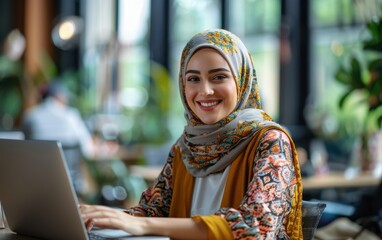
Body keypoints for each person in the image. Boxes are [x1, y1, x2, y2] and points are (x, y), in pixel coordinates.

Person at [80, 29, 303, 239]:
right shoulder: (186, 147)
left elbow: (256, 227)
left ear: (241, 81)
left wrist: (142, 224)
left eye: (219, 77)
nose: (204, 90)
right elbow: (153, 212)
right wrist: (100, 217)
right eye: (193, 79)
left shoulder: (270, 141)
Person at [22, 80, 95, 194]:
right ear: (59, 96)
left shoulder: (30, 116)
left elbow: (24, 148)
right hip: (69, 180)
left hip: (36, 178)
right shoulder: (71, 116)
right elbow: (88, 150)